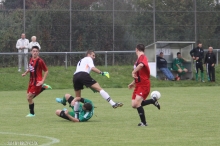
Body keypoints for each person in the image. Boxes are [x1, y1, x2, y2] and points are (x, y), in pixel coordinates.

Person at [128, 44, 160, 127]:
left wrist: (133, 72)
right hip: (138, 84)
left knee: (137, 103)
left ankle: (144, 123)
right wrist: (133, 82)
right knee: (134, 104)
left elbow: (141, 65)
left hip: (144, 84)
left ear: (136, 49)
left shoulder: (142, 57)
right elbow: (140, 74)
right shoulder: (138, 60)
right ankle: (152, 101)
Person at [22, 46, 50, 117]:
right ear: (31, 52)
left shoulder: (40, 61)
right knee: (28, 97)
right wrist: (25, 73)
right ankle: (42, 88)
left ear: (38, 52)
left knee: (29, 97)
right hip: (31, 81)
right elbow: (30, 68)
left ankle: (32, 113)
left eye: (36, 51)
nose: (35, 52)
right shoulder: (31, 59)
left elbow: (46, 71)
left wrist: (42, 81)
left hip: (37, 81)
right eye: (33, 51)